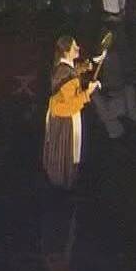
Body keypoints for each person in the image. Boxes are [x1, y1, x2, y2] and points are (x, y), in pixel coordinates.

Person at [43, 35, 101, 190]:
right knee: (65, 156)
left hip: (60, 118)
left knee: (60, 156)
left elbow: (74, 70)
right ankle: (63, 188)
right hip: (65, 121)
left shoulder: (63, 68)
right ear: (66, 51)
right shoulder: (64, 73)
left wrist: (90, 64)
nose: (78, 48)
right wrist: (88, 92)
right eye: (75, 47)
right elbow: (70, 105)